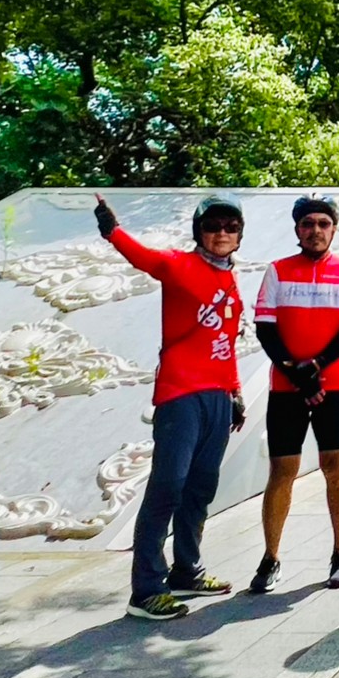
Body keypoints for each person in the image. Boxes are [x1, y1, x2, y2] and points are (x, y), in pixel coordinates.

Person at [95, 193, 248, 621]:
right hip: (180, 395)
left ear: (239, 234)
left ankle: (187, 570)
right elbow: (142, 257)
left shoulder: (230, 280)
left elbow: (226, 345)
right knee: (168, 486)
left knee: (200, 488)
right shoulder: (180, 265)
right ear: (199, 231)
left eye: (230, 227)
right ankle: (145, 589)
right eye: (213, 226)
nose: (221, 233)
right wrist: (112, 229)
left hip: (217, 396)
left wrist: (235, 393)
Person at [249, 194, 339, 594]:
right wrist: (297, 374)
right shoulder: (278, 271)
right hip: (286, 385)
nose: (315, 230)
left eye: (323, 223)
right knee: (282, 470)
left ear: (333, 229)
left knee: (336, 466)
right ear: (297, 228)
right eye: (308, 224)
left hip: (334, 384)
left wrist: (316, 367)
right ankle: (270, 558)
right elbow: (265, 327)